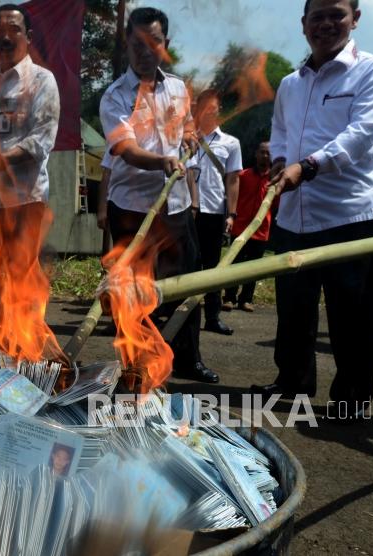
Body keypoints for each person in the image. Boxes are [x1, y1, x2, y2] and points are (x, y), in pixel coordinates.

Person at [251, 0, 373, 421]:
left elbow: (361, 135)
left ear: (355, 18)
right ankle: (293, 382)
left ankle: (351, 398)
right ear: (303, 25)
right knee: (293, 307)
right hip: (294, 213)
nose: (327, 24)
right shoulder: (290, 84)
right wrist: (281, 160)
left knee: (352, 312)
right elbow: (280, 133)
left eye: (337, 14)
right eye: (318, 16)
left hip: (351, 214)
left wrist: (309, 166)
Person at [100, 7, 218, 384]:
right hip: (133, 210)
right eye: (137, 44)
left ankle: (188, 359)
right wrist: (162, 161)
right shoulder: (114, 96)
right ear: (128, 44)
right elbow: (125, 149)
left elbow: (184, 131)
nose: (145, 50)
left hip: (176, 206)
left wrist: (187, 140)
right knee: (132, 292)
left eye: (153, 42)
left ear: (166, 44)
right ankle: (136, 362)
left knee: (186, 285)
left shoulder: (178, 89)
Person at [0, 3, 60, 267]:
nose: (5, 37)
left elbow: (41, 140)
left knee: (20, 281)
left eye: (14, 30)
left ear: (28, 37)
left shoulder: (42, 81)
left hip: (24, 200)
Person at [189, 89, 241, 335]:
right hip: (186, 211)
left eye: (214, 105)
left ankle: (212, 316)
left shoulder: (231, 143)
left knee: (212, 266)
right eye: (205, 104)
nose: (210, 109)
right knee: (186, 264)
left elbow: (233, 180)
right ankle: (182, 317)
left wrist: (231, 214)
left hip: (213, 211)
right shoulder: (185, 138)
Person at [222, 141, 273, 312]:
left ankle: (246, 299)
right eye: (262, 152)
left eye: (268, 153)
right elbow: (232, 196)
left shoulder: (274, 180)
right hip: (240, 228)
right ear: (256, 154)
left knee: (254, 267)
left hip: (261, 231)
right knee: (234, 263)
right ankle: (229, 297)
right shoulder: (242, 176)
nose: (265, 156)